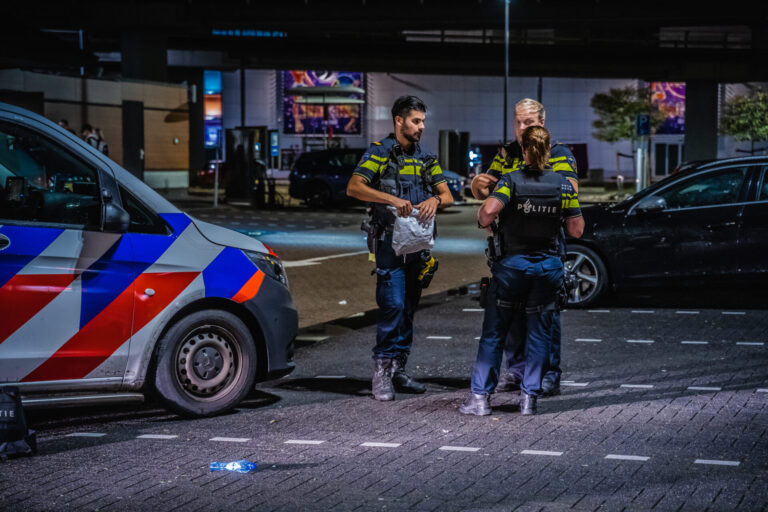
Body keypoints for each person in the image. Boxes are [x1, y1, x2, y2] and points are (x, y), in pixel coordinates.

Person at [460, 125, 584, 416]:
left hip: (512, 266)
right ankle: (529, 399)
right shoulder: (563, 185)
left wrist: (484, 219)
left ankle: (480, 400)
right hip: (547, 267)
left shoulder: (510, 180)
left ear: (526, 151)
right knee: (540, 333)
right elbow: (577, 230)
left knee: (495, 333)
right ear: (547, 151)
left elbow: (488, 212)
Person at [347, 95, 453, 401]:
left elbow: (447, 196)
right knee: (392, 306)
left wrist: (435, 199)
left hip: (418, 247)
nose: (421, 127)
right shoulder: (380, 153)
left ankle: (398, 370)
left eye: (422, 121)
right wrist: (392, 200)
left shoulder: (426, 158)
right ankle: (381, 374)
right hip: (389, 246)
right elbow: (354, 187)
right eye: (415, 121)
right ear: (399, 120)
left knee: (407, 310)